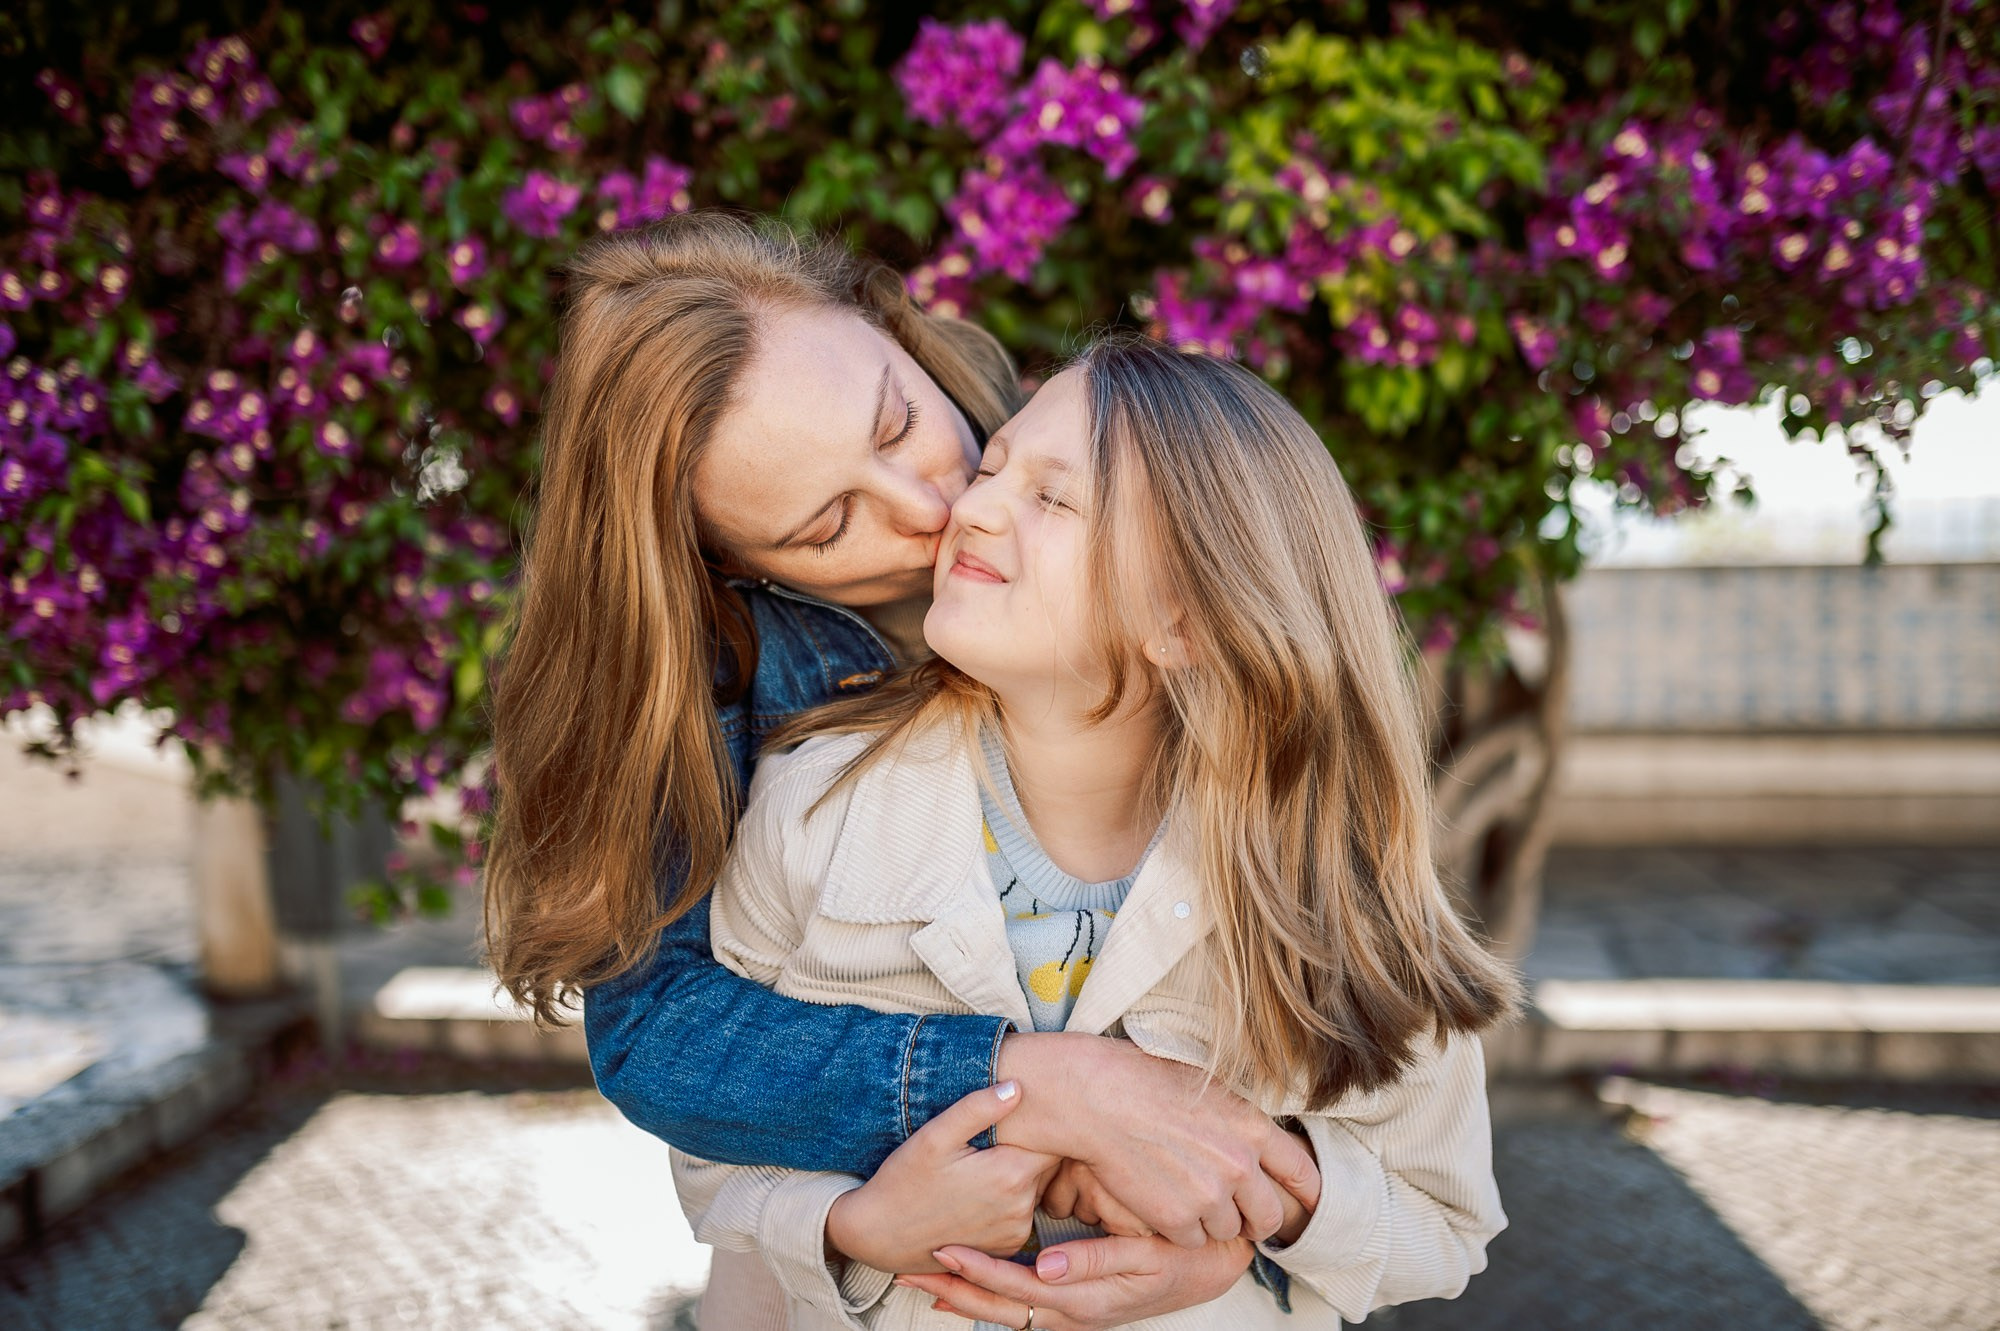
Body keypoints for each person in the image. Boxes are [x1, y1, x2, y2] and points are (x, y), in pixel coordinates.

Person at [484, 215, 1324, 1326]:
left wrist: (1236, 1229)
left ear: (897, 329)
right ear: (727, 569)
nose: (932, 508)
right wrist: (1035, 1084)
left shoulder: (1097, 475)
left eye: (898, 422)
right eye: (830, 524)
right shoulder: (734, 680)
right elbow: (655, 1029)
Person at [672, 336, 1522, 1330]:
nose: (973, 508)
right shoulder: (813, 805)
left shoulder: (1329, 888)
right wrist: (856, 1223)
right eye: (991, 468)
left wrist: (1257, 1217)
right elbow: (710, 1151)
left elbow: (1443, 1225)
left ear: (1185, 618)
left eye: (1054, 499)